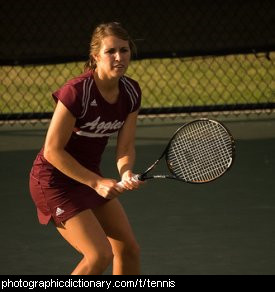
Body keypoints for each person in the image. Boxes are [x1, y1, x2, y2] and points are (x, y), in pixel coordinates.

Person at [29, 22, 143, 275]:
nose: (119, 57)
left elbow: (125, 146)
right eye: (110, 51)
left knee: (128, 249)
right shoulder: (76, 92)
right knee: (99, 255)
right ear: (95, 56)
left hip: (89, 177)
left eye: (124, 50)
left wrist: (125, 172)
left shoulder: (131, 92)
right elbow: (52, 151)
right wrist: (96, 182)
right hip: (53, 182)